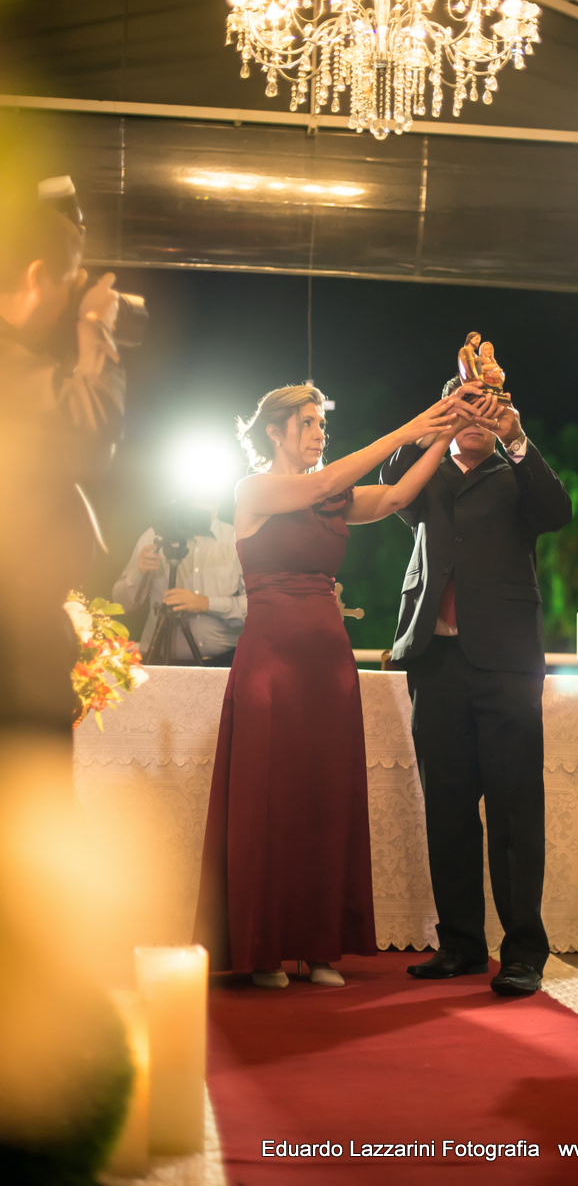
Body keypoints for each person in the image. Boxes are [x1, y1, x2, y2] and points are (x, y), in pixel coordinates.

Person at [193, 382, 494, 988]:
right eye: (305, 422)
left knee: (324, 801)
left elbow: (398, 497)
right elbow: (322, 485)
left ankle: (319, 948)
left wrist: (442, 431)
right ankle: (263, 950)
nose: (317, 431)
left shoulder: (332, 497)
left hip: (328, 662)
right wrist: (410, 428)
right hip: (271, 659)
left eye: (320, 423)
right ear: (274, 432)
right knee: (271, 797)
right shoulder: (255, 490)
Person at [380, 379, 572, 997]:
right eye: (463, 404)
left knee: (515, 807)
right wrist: (433, 426)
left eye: (485, 406)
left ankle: (523, 952)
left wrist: (515, 435)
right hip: (436, 657)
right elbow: (390, 490)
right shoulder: (425, 472)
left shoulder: (517, 469)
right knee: (449, 806)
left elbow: (557, 512)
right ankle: (459, 943)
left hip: (507, 660)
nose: (474, 416)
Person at [0, 178, 123, 735]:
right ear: (35, 277)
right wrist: (95, 329)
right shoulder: (14, 370)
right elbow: (89, 441)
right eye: (69, 281)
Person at [113, 507, 246, 666]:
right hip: (159, 659)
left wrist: (206, 603)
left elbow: (259, 605)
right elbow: (121, 606)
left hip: (225, 661)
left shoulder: (237, 538)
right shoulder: (155, 535)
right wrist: (138, 571)